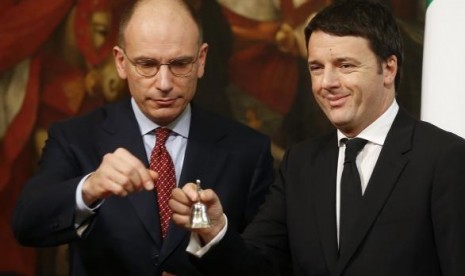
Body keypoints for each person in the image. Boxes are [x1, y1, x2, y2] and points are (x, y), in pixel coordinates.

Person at [169, 1, 465, 275]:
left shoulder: (444, 158)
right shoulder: (300, 163)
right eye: (316, 68)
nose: (327, 83)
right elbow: (258, 266)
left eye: (345, 66)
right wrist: (216, 230)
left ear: (388, 68)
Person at [11, 0, 274, 275]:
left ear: (201, 60)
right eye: (147, 64)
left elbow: (267, 267)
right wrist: (89, 188)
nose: (164, 83)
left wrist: (218, 234)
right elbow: (27, 224)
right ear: (121, 63)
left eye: (180, 63)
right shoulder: (75, 138)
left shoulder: (248, 150)